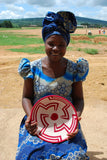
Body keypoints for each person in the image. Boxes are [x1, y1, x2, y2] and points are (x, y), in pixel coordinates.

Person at [16, 11, 89, 160]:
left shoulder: (74, 69)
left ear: (66, 45)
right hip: (37, 124)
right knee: (29, 155)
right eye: (51, 44)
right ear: (45, 43)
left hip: (66, 124)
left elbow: (79, 99)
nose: (56, 48)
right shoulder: (33, 68)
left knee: (75, 157)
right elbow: (26, 97)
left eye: (61, 44)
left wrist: (75, 119)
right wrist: (31, 117)